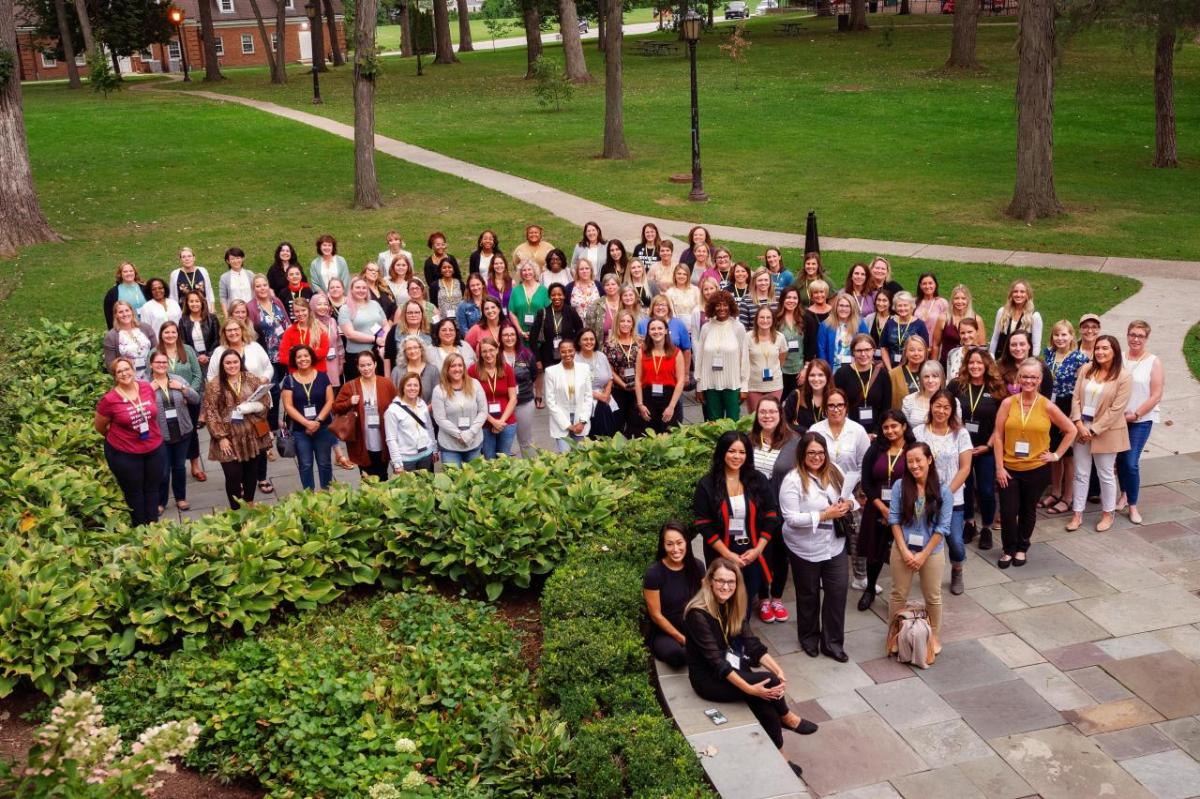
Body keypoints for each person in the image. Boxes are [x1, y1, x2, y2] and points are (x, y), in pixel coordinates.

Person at [684, 559, 817, 756]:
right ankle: (787, 717)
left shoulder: (732, 605)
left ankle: (781, 756)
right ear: (710, 581)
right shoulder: (697, 614)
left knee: (765, 703)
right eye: (720, 581)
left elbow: (752, 644)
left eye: (731, 582)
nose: (726, 586)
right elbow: (717, 662)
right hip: (708, 678)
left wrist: (778, 670)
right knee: (767, 686)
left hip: (730, 668)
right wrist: (750, 689)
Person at [780, 432, 857, 661]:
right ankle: (809, 637)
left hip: (834, 544)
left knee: (837, 592)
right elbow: (791, 518)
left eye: (821, 452)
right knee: (808, 594)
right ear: (803, 454)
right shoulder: (792, 480)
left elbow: (853, 498)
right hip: (804, 547)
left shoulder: (834, 471)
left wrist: (848, 504)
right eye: (811, 453)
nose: (817, 457)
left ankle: (832, 643)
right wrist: (825, 514)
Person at [994, 359, 1076, 568]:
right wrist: (999, 467)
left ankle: (1022, 548)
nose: (1028, 380)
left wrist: (1056, 456)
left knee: (1028, 509)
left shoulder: (1047, 405)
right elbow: (998, 436)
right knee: (1008, 510)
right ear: (1018, 378)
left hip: (1036, 469)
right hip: (1009, 468)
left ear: (1040, 380)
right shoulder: (1008, 403)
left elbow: (1071, 430)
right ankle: (1008, 549)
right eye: (1025, 376)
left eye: (1033, 377)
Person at [693, 431, 781, 623]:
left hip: (752, 551)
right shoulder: (707, 484)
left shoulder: (757, 480)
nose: (737, 456)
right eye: (732, 451)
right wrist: (727, 554)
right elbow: (703, 523)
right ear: (722, 452)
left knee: (746, 600)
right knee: (723, 599)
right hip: (723, 552)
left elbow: (771, 515)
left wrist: (758, 550)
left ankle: (741, 643)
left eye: (742, 452)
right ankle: (724, 644)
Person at [1066, 335, 1131, 533]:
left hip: (1106, 431)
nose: (1100, 352)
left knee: (1105, 474)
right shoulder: (1086, 369)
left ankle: (1107, 513)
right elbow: (1076, 397)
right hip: (1081, 427)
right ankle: (1077, 514)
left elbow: (1116, 410)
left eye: (1105, 348)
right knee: (1081, 473)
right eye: (1098, 348)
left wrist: (1093, 430)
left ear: (1115, 351)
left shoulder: (1124, 376)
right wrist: (1078, 423)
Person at [888, 443, 952, 640]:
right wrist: (904, 550)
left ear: (929, 460)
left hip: (931, 551)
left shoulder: (944, 492)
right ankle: (895, 637)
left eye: (918, 460)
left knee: (933, 597)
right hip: (902, 548)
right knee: (898, 594)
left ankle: (932, 638)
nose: (914, 465)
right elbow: (894, 519)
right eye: (910, 461)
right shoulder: (900, 486)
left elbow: (942, 528)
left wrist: (923, 555)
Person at [809, 388, 872, 589]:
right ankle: (822, 577)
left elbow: (864, 463)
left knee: (858, 534)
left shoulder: (857, 430)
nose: (836, 409)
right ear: (825, 408)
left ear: (846, 407)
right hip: (822, 491)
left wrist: (855, 495)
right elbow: (808, 460)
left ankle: (860, 578)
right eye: (831, 405)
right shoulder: (815, 430)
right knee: (823, 534)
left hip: (851, 493)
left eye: (840, 405)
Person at [913, 389, 974, 595]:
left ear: (952, 410)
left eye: (946, 407)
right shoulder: (919, 432)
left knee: (955, 540)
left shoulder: (960, 433)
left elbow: (965, 467)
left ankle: (957, 569)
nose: (941, 411)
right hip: (923, 494)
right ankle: (927, 573)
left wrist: (946, 493)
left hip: (952, 496)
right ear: (931, 406)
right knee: (923, 536)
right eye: (938, 406)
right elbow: (912, 462)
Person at [94, 357, 166, 526]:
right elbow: (100, 427)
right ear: (115, 376)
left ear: (133, 370)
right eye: (119, 371)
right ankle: (140, 527)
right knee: (134, 492)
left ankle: (153, 524)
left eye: (127, 369)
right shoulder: (109, 400)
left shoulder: (146, 388)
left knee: (152, 488)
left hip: (153, 447)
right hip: (125, 453)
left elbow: (152, 412)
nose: (124, 373)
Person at [949, 347, 1006, 550]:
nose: (975, 366)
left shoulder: (997, 388)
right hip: (961, 448)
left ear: (987, 365)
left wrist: (988, 445)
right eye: (971, 362)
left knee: (987, 490)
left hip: (986, 448)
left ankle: (987, 527)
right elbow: (948, 412)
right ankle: (969, 522)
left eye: (979, 363)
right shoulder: (957, 386)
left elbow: (1001, 423)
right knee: (964, 487)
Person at [857, 410, 913, 611]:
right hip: (877, 508)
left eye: (894, 426)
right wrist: (881, 507)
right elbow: (866, 481)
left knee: (903, 552)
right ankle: (870, 589)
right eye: (886, 427)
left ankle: (900, 595)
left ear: (904, 426)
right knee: (874, 552)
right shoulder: (875, 449)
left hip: (905, 509)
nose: (890, 431)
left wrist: (897, 511)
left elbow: (920, 478)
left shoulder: (913, 449)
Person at [749, 398, 798, 624]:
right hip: (753, 511)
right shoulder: (749, 441)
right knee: (760, 555)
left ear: (780, 414)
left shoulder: (793, 442)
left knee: (780, 556)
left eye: (772, 412)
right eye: (762, 412)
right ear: (757, 415)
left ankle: (776, 597)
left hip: (780, 510)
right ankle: (763, 598)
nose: (767, 416)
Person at [204, 348, 271, 508]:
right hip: (228, 437)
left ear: (240, 362)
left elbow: (265, 401)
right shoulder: (214, 385)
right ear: (222, 365)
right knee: (233, 476)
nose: (232, 365)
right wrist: (220, 438)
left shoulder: (251, 379)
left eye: (235, 362)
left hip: (251, 435)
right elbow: (210, 413)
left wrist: (253, 407)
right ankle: (235, 511)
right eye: (228, 363)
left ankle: (249, 505)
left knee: (250, 474)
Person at [1041, 320, 1090, 516]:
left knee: (1068, 455)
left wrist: (1073, 417)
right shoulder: (1049, 354)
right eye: (1056, 335)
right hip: (1050, 407)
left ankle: (1068, 497)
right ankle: (1055, 491)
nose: (1060, 339)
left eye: (1064, 335)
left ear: (1072, 336)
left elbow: (1082, 389)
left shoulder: (1079, 358)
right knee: (1053, 451)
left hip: (1068, 406)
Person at [148, 321, 205, 487]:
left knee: (191, 433)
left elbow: (197, 374)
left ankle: (195, 466)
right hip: (163, 401)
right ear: (161, 335)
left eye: (173, 332)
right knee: (166, 432)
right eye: (166, 332)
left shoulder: (187, 350)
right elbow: (149, 374)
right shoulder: (155, 352)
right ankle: (170, 469)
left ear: (178, 334)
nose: (170, 335)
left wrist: (187, 393)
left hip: (187, 397)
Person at [1117, 320, 1162, 526]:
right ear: (1127, 335)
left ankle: (1133, 505)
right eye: (1132, 334)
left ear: (1146, 338)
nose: (1135, 339)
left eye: (1140, 336)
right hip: (1118, 419)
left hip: (1141, 419)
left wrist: (1136, 414)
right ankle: (1124, 494)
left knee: (1130, 462)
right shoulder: (1120, 359)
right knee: (1119, 461)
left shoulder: (1153, 361)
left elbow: (1156, 395)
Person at [644, 522, 704, 667]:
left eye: (679, 543)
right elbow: (656, 615)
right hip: (666, 632)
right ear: (663, 546)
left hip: (693, 625)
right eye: (669, 544)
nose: (675, 549)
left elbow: (706, 600)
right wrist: (682, 639)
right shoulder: (654, 573)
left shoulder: (697, 566)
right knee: (676, 656)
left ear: (687, 543)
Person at [146, 351, 200, 513]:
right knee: (163, 470)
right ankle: (160, 502)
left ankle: (181, 498)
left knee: (179, 467)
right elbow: (139, 406)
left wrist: (183, 388)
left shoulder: (178, 380)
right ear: (151, 365)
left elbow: (196, 399)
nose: (162, 365)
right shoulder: (145, 385)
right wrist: (149, 391)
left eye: (164, 362)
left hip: (182, 430)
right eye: (158, 362)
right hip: (160, 434)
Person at [333, 350, 397, 480]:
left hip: (382, 437)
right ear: (357, 367)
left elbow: (397, 406)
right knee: (366, 476)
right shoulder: (350, 386)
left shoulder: (386, 383)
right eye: (362, 366)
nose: (366, 368)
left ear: (375, 364)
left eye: (369, 364)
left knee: (383, 474)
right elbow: (335, 407)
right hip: (361, 439)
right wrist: (349, 402)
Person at [282, 344, 337, 491]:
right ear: (294, 360)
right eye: (299, 357)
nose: (303, 359)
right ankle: (309, 495)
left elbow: (330, 401)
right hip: (300, 430)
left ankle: (326, 493)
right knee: (305, 464)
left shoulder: (322, 377)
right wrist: (307, 423)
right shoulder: (289, 381)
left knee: (324, 463)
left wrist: (317, 421)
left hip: (323, 427)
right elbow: (288, 406)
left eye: (305, 356)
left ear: (311, 357)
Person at [695, 291, 749, 421]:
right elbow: (700, 358)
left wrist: (744, 386)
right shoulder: (706, 328)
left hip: (732, 384)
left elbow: (745, 358)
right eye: (718, 305)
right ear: (713, 307)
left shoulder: (738, 328)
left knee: (733, 423)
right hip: (710, 385)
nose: (721, 308)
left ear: (731, 306)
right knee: (713, 423)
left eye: (725, 305)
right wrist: (699, 386)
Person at [431, 353, 487, 465]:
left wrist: (470, 433)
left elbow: (483, 411)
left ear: (464, 367)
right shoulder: (439, 390)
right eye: (453, 366)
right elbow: (440, 419)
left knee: (475, 480)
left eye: (460, 365)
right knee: (453, 481)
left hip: (473, 442)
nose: (457, 369)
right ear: (447, 369)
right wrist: (460, 435)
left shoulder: (475, 384)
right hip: (450, 445)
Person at [468, 337, 519, 458]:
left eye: (491, 350)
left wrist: (501, 421)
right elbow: (473, 401)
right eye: (484, 351)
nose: (488, 354)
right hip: (484, 423)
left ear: (497, 350)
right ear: (480, 353)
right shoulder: (472, 371)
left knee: (504, 458)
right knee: (489, 459)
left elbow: (513, 398)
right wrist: (493, 421)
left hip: (507, 422)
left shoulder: (507, 368)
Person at [635, 317, 685, 435]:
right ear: (648, 332)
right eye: (652, 329)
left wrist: (671, 407)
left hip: (669, 398)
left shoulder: (676, 353)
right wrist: (640, 404)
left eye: (660, 328)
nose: (656, 331)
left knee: (668, 436)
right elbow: (637, 380)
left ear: (666, 331)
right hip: (648, 398)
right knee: (648, 437)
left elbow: (680, 381)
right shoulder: (642, 352)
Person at [835, 333, 891, 432]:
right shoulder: (842, 374)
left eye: (867, 350)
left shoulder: (882, 374)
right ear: (853, 352)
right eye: (859, 350)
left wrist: (876, 432)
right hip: (849, 430)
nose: (863, 354)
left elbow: (886, 407)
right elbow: (837, 405)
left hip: (876, 432)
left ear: (873, 350)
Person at [544, 339, 593, 452]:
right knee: (564, 457)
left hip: (580, 419)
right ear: (559, 353)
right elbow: (550, 402)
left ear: (575, 351)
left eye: (570, 351)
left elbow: (588, 397)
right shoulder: (551, 372)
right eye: (563, 351)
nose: (567, 354)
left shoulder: (584, 368)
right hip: (560, 420)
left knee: (580, 456)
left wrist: (582, 421)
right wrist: (568, 426)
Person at [384, 371, 438, 473]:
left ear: (419, 388)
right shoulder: (393, 410)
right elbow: (391, 439)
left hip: (426, 455)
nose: (412, 388)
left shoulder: (422, 404)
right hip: (406, 460)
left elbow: (429, 428)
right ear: (402, 387)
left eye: (415, 385)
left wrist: (434, 448)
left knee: (427, 487)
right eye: (409, 385)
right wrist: (397, 464)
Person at [338, 277, 389, 382]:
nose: (361, 290)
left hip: (377, 353)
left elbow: (383, 325)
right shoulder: (345, 309)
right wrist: (375, 339)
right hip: (357, 355)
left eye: (364, 288)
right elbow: (350, 334)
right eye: (357, 287)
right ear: (351, 290)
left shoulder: (374, 304)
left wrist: (382, 339)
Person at [499, 325, 539, 458]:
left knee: (525, 440)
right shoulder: (496, 356)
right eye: (505, 335)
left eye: (512, 334)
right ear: (500, 337)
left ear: (517, 336)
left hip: (524, 403)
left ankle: (531, 472)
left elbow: (533, 375)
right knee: (502, 443)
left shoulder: (527, 354)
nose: (509, 338)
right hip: (503, 404)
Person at [531, 284, 584, 382]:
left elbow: (580, 331)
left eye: (559, 294)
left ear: (564, 296)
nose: (556, 297)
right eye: (553, 295)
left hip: (568, 355)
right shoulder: (542, 313)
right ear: (549, 296)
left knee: (568, 382)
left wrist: (575, 348)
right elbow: (532, 338)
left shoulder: (571, 311)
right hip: (547, 356)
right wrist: (538, 359)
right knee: (552, 383)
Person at [605, 309, 641, 437]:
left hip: (637, 389)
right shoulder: (610, 344)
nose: (625, 324)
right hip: (618, 389)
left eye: (628, 321)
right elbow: (609, 369)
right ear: (617, 323)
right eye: (622, 321)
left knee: (636, 423)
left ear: (633, 324)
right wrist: (623, 385)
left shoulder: (640, 342)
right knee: (617, 423)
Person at [745, 305, 788, 413]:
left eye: (768, 317)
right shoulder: (748, 337)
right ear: (756, 320)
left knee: (773, 416)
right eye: (762, 317)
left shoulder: (780, 337)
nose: (765, 320)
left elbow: (782, 357)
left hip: (775, 384)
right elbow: (743, 360)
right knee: (755, 418)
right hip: (754, 385)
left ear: (773, 320)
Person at [577, 328, 617, 439]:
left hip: (604, 401)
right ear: (579, 342)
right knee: (591, 436)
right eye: (585, 339)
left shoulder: (601, 356)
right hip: (584, 401)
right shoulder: (575, 359)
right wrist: (599, 396)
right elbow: (576, 385)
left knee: (608, 433)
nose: (589, 342)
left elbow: (610, 378)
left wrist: (606, 394)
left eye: (591, 339)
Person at [206, 318, 273, 383]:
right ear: (224, 333)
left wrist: (261, 381)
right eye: (229, 330)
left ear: (242, 330)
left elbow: (269, 368)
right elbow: (211, 376)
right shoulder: (218, 352)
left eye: (236, 329)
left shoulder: (255, 347)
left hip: (257, 391)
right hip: (228, 393)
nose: (233, 332)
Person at [103, 301, 157, 380]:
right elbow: (110, 365)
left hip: (151, 374)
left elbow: (156, 351)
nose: (125, 314)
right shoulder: (111, 336)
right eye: (120, 312)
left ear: (132, 311)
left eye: (127, 310)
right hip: (128, 378)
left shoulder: (145, 328)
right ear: (116, 315)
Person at [990, 278, 1043, 357]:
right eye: (1015, 291)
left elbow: (1036, 344)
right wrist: (991, 356)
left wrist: (1032, 363)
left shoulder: (1035, 316)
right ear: (1011, 294)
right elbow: (995, 338)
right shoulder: (1002, 312)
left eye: (1022, 292)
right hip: (1002, 360)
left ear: (1028, 295)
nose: (1018, 295)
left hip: (1023, 361)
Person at [901, 361, 960, 429]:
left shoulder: (954, 402)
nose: (930, 380)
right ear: (921, 379)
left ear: (941, 379)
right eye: (926, 377)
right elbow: (905, 429)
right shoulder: (909, 400)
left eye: (935, 376)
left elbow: (955, 428)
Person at [278, 297, 330, 374]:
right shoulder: (289, 332)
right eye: (297, 311)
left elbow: (324, 351)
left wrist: (297, 356)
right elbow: (283, 357)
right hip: (297, 375)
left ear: (308, 310)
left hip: (318, 373)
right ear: (293, 313)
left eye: (303, 310)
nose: (300, 314)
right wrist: (313, 353)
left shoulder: (320, 328)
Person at [817, 291, 867, 368]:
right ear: (836, 307)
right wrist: (825, 369)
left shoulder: (860, 324)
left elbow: (866, 345)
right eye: (841, 305)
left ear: (852, 308)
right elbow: (821, 349)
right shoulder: (825, 325)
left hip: (855, 367)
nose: (843, 309)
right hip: (833, 368)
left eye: (847, 306)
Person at [940, 285, 986, 369]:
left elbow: (982, 345)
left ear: (968, 300)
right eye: (956, 298)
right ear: (952, 300)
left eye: (963, 298)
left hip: (970, 364)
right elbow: (936, 345)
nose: (959, 301)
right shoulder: (943, 318)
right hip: (947, 363)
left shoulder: (977, 320)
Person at [880, 292, 929, 369]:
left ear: (911, 306)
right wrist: (890, 370)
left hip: (913, 368)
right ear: (895, 307)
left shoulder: (920, 325)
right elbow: (883, 347)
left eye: (905, 305)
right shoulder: (889, 323)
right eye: (899, 306)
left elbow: (926, 348)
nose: (902, 308)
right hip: (891, 367)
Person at [783, 358, 833, 433]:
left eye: (821, 375)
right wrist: (806, 431)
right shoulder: (796, 396)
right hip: (801, 442)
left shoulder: (835, 397)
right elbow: (784, 423)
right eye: (812, 375)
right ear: (807, 377)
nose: (816, 379)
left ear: (827, 377)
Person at [997, 329, 1052, 398]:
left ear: (1029, 346)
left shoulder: (1042, 368)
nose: (1018, 348)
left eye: (1022, 344)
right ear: (1008, 347)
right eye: (1013, 345)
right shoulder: (1000, 367)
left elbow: (1046, 398)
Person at [774, 286, 806, 399]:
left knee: (797, 406)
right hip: (780, 370)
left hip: (799, 371)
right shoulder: (774, 319)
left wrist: (806, 369)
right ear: (782, 299)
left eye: (794, 298)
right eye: (788, 297)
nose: (791, 301)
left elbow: (811, 345)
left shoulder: (805, 318)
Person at [391, 335, 441, 403]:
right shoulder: (397, 371)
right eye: (409, 349)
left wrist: (424, 410)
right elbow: (393, 395)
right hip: (403, 412)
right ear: (404, 352)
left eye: (415, 347)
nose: (412, 351)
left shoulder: (433, 370)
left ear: (421, 349)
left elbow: (437, 396)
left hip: (428, 411)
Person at [510, 260, 551, 343]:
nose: (527, 272)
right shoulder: (516, 290)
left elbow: (548, 312)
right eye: (524, 270)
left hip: (539, 336)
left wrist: (537, 331)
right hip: (520, 335)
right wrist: (520, 332)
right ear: (521, 273)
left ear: (534, 271)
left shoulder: (544, 290)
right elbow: (511, 313)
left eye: (529, 269)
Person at [180, 290, 220, 372]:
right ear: (187, 303)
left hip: (212, 357)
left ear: (202, 302)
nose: (194, 304)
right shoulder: (183, 321)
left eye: (197, 301)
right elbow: (183, 342)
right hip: (193, 359)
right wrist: (197, 356)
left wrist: (208, 356)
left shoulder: (212, 318)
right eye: (191, 301)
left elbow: (217, 339)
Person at [913, 273, 949, 359]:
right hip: (917, 347)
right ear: (920, 286)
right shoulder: (914, 302)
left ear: (935, 285)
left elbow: (947, 326)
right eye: (924, 284)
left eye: (930, 283)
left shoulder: (942, 303)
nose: (927, 286)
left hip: (936, 346)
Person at [103, 261, 149, 328]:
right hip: (126, 330)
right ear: (120, 274)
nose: (129, 273)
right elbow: (109, 316)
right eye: (125, 271)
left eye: (131, 271)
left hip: (147, 327)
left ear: (135, 272)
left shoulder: (146, 289)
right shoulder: (113, 293)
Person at [889, 335, 929, 410]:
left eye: (920, 350)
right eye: (912, 350)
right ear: (905, 353)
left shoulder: (930, 373)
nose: (916, 353)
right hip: (901, 418)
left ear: (925, 352)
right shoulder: (894, 374)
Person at [584, 273, 623, 342]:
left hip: (625, 344)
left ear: (619, 286)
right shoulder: (596, 305)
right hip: (602, 347)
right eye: (607, 285)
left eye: (613, 284)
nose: (610, 287)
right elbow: (589, 329)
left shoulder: (625, 303)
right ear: (603, 287)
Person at [944, 316, 981, 385]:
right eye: (962, 333)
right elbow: (949, 380)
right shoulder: (952, 353)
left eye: (970, 332)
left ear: (977, 332)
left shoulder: (987, 355)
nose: (966, 336)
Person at [217, 247, 255, 315]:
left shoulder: (250, 274)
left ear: (242, 258)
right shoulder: (224, 278)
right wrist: (226, 316)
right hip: (234, 313)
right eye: (232, 259)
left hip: (251, 311)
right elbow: (223, 298)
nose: (236, 261)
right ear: (228, 261)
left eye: (238, 258)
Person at [864, 289, 892, 362]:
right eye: (878, 300)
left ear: (890, 303)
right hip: (870, 359)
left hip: (889, 360)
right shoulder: (869, 318)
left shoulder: (895, 320)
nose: (880, 303)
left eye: (884, 300)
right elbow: (864, 339)